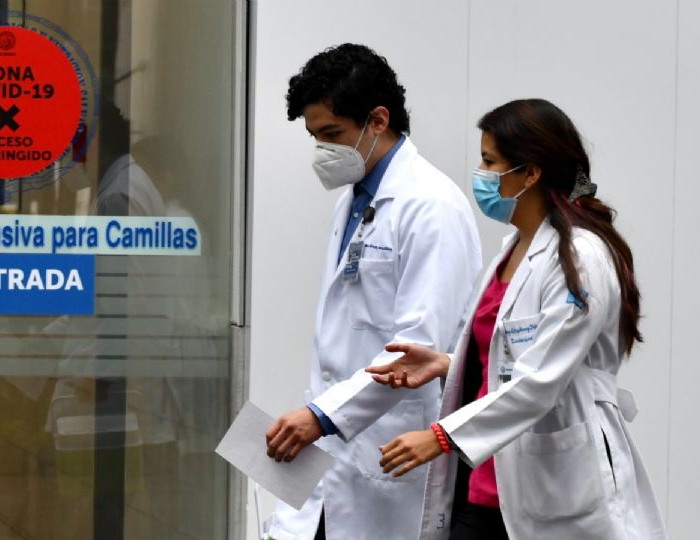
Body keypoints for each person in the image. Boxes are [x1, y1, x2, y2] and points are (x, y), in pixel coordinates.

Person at [368, 98, 667, 539]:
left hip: (559, 480)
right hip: (489, 477)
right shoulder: (512, 250)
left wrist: (441, 436)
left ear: (530, 173)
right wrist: (450, 365)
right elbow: (511, 357)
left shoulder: (580, 259)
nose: (481, 174)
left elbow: (540, 379)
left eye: (490, 162)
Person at [262, 43, 482, 540]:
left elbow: (418, 346)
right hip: (331, 452)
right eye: (315, 136)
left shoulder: (431, 206)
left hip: (389, 452)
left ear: (377, 120)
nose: (322, 149)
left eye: (332, 134)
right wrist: (320, 415)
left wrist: (322, 416)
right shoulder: (356, 200)